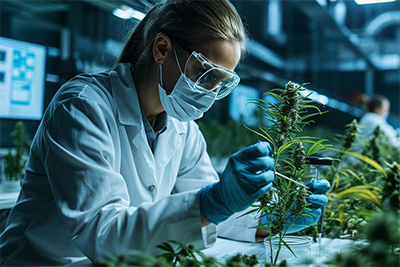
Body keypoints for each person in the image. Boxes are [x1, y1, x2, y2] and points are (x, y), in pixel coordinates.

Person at [0, 0, 329, 265]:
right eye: (206, 74)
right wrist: (212, 202)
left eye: (222, 83)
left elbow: (208, 212)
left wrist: (271, 219)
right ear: (161, 49)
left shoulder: (183, 129)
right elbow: (101, 232)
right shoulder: (82, 106)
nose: (211, 93)